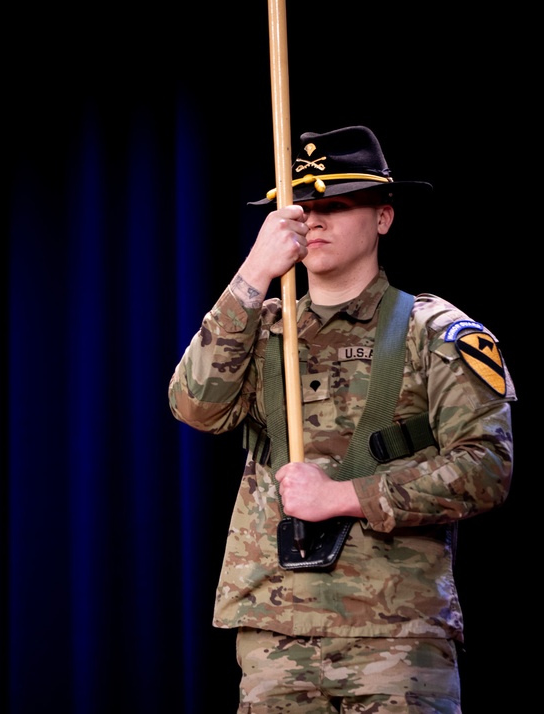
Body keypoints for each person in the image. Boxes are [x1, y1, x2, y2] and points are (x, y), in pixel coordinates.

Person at [168, 126, 514, 712]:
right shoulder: (262, 328)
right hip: (275, 631)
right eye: (300, 208)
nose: (314, 220)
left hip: (395, 634)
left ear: (384, 217)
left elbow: (486, 467)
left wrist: (347, 496)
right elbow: (194, 406)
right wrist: (253, 272)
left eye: (336, 204)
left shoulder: (436, 332)